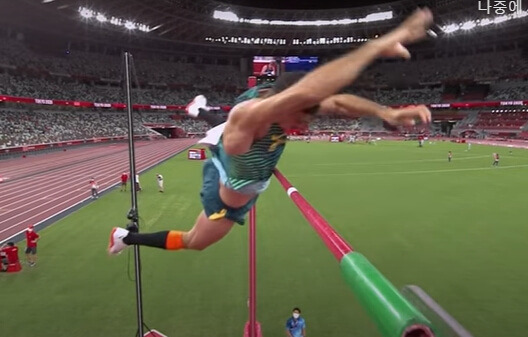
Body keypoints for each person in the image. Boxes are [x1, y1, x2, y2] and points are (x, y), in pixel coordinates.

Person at [108, 8, 434, 255]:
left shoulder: (284, 107)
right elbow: (306, 92)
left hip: (241, 157)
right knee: (195, 242)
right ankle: (126, 237)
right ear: (284, 103)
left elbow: (337, 101)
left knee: (234, 131)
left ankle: (200, 110)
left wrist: (385, 112)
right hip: (226, 195)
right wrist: (374, 48)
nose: (304, 128)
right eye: (300, 120)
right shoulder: (257, 115)